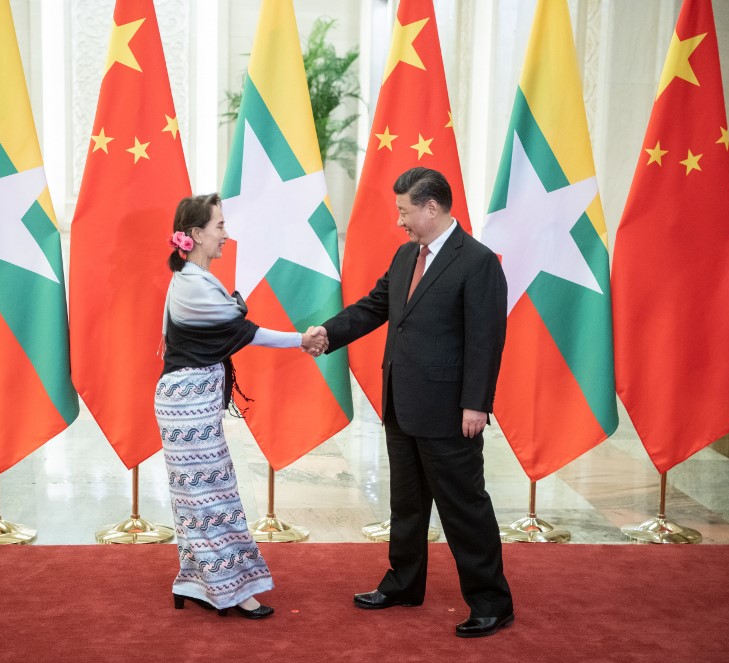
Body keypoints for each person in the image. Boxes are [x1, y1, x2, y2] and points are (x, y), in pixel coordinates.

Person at [309, 167, 514, 638]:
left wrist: (476, 404)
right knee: (406, 505)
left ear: (431, 207)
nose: (399, 220)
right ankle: (403, 583)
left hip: (449, 411)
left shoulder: (478, 262)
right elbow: (374, 307)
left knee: (464, 507)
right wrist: (328, 333)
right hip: (402, 404)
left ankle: (491, 601)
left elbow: (486, 340)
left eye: (404, 210)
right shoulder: (406, 256)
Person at [157, 192, 325, 620]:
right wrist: (301, 341)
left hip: (191, 402)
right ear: (194, 235)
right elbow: (245, 331)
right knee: (211, 496)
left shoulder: (192, 280)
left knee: (199, 497)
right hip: (187, 405)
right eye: (219, 227)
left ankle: (197, 581)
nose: (225, 235)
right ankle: (231, 589)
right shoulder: (194, 284)